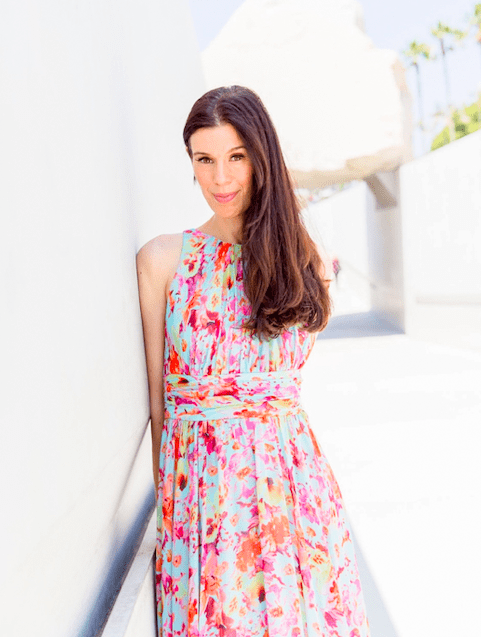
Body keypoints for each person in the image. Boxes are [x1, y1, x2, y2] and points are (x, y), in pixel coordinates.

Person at [136, 86, 370, 637]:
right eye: (205, 159)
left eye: (236, 157)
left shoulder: (303, 261)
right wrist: (174, 512)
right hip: (204, 504)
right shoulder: (164, 261)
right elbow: (158, 405)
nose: (220, 178)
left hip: (295, 497)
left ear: (261, 157)